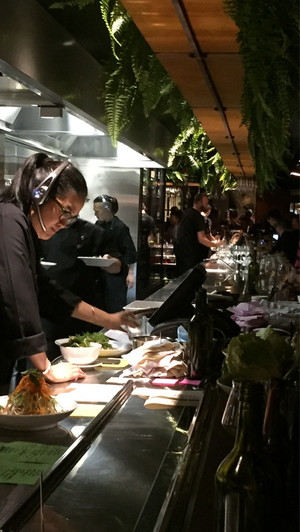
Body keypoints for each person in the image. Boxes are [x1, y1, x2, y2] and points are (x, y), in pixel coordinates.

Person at [0, 153, 137, 393]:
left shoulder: (21, 226)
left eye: (72, 217)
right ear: (40, 194)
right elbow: (17, 293)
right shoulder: (9, 220)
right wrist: (45, 368)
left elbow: (47, 292)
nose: (65, 223)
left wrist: (110, 320)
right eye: (65, 210)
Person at [38, 218, 125, 357]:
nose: (67, 214)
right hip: (49, 312)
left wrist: (111, 262)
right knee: (48, 360)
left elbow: (118, 266)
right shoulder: (42, 231)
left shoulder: (94, 232)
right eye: (65, 208)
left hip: (87, 311)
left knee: (87, 358)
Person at [93, 195, 138, 311]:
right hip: (100, 273)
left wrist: (131, 274)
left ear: (107, 210)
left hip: (117, 274)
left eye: (97, 211)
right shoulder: (97, 225)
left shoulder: (120, 227)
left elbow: (130, 251)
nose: (95, 214)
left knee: (115, 305)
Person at [175, 192, 225, 275]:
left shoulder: (188, 213)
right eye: (205, 203)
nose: (207, 206)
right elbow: (201, 239)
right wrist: (217, 245)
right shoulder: (197, 217)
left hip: (182, 255)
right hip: (190, 256)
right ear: (198, 203)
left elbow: (205, 235)